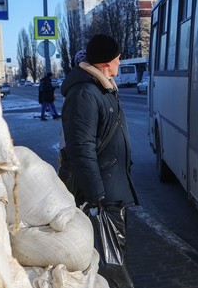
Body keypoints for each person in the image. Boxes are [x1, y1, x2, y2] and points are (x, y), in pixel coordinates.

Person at [59, 34, 138, 286]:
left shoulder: (103, 87)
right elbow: (81, 148)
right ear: (106, 63)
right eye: (118, 58)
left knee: (114, 256)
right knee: (110, 261)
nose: (120, 62)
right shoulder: (85, 93)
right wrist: (96, 197)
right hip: (102, 194)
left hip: (112, 189)